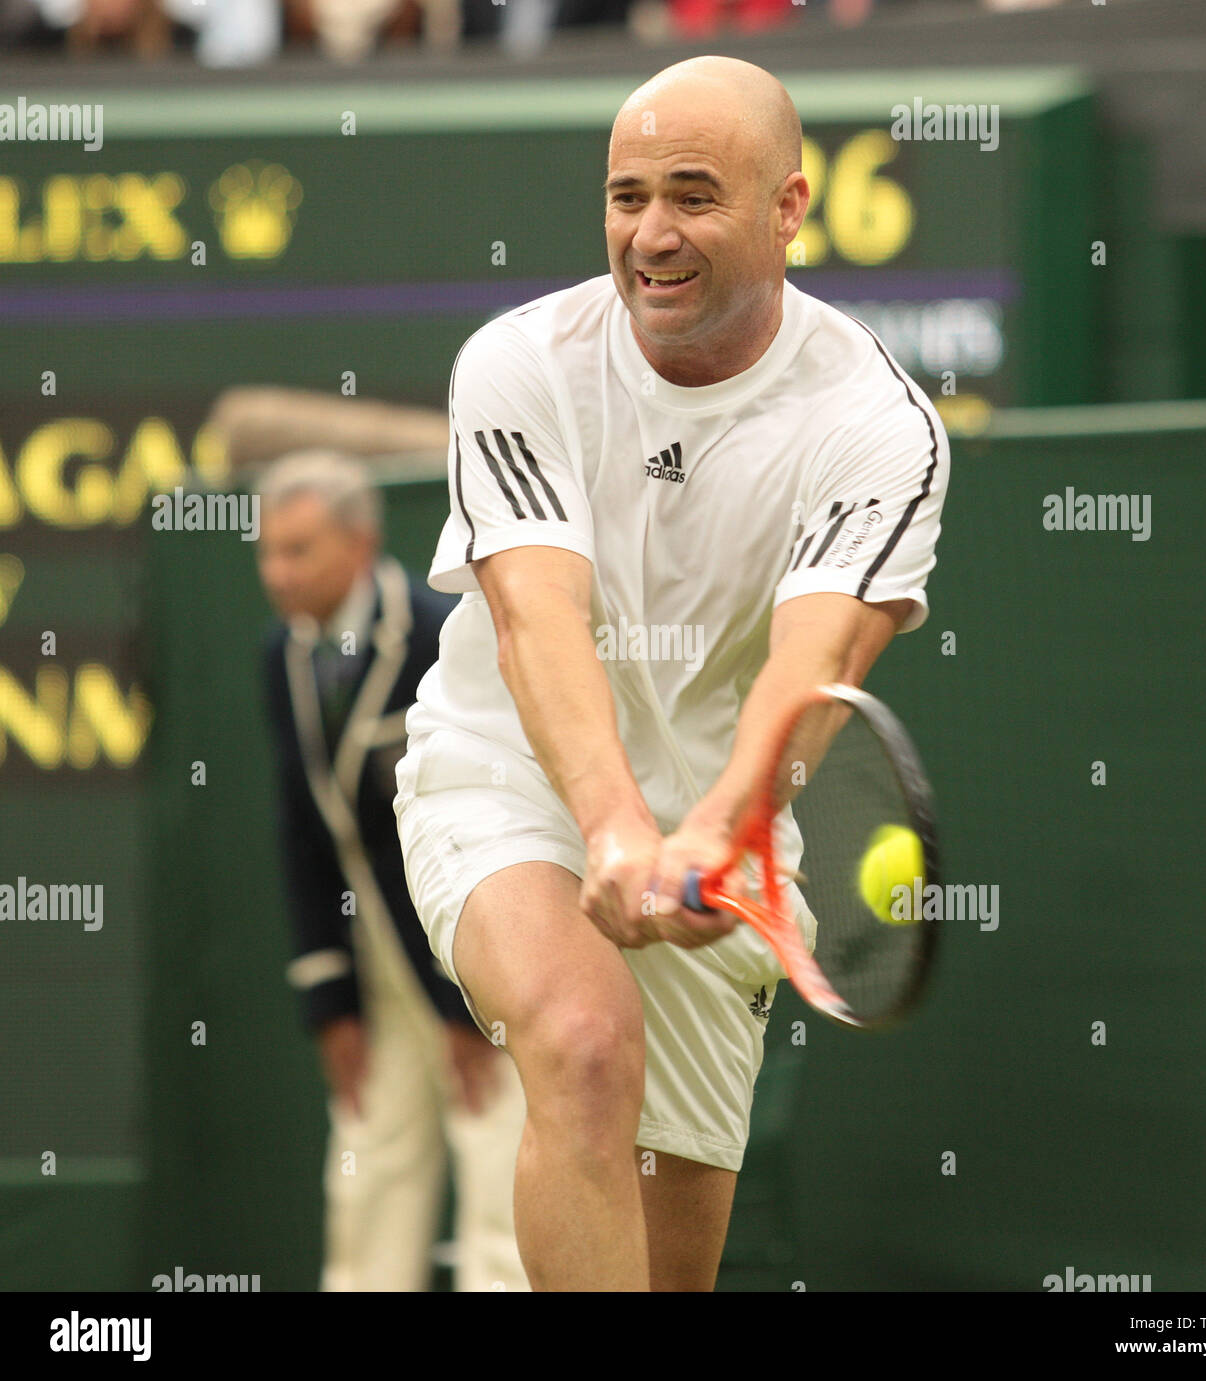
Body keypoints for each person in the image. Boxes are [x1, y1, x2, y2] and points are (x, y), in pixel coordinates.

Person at [393, 55, 949, 1292]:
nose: (651, 234)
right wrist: (609, 827)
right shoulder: (516, 362)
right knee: (586, 1045)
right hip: (510, 779)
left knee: (668, 1266)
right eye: (625, 195)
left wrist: (717, 825)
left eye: (693, 196)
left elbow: (814, 667)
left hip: (721, 829)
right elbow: (538, 618)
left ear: (789, 207)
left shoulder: (879, 427)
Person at [256, 450, 529, 1292]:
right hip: (369, 964)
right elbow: (305, 831)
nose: (277, 571)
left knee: (498, 1160)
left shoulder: (441, 636)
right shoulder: (284, 659)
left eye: (298, 549)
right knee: (370, 1166)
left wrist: (460, 999)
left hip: (475, 950)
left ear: (362, 539)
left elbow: (471, 821)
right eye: (267, 552)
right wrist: (330, 995)